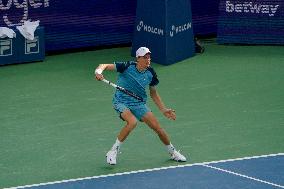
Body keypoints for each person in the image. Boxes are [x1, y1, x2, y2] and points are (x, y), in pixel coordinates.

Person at [95, 47, 187, 165]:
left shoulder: (151, 73)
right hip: (121, 101)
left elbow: (153, 93)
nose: (148, 60)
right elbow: (103, 65)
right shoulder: (127, 66)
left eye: (149, 57)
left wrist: (163, 109)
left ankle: (173, 152)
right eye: (145, 57)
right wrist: (98, 72)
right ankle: (113, 151)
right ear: (138, 58)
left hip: (138, 103)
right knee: (132, 122)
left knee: (158, 129)